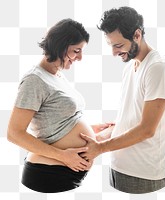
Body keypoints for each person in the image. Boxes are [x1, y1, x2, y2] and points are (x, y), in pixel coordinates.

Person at [7, 18, 113, 193]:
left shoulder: (57, 75)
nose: (80, 57)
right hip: (48, 174)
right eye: (76, 51)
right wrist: (63, 156)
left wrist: (91, 129)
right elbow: (14, 133)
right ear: (60, 46)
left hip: (65, 172)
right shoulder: (34, 80)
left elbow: (58, 121)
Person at [80, 6, 165, 194]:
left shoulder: (157, 69)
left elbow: (147, 129)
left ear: (137, 35)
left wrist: (100, 148)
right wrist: (106, 132)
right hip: (118, 167)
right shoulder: (131, 66)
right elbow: (133, 117)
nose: (114, 53)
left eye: (118, 45)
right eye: (111, 46)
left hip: (142, 174)